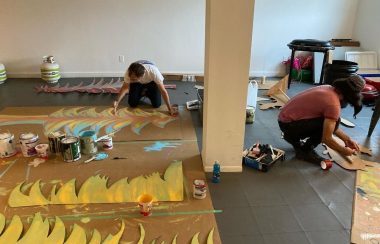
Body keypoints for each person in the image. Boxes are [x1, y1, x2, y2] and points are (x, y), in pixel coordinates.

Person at [278, 75, 365, 164]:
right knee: (335, 120)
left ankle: (292, 137)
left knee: (333, 120)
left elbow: (331, 126)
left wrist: (347, 139)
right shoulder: (333, 104)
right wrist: (343, 150)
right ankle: (305, 151)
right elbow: (326, 138)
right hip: (289, 125)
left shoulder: (328, 88)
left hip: (284, 120)